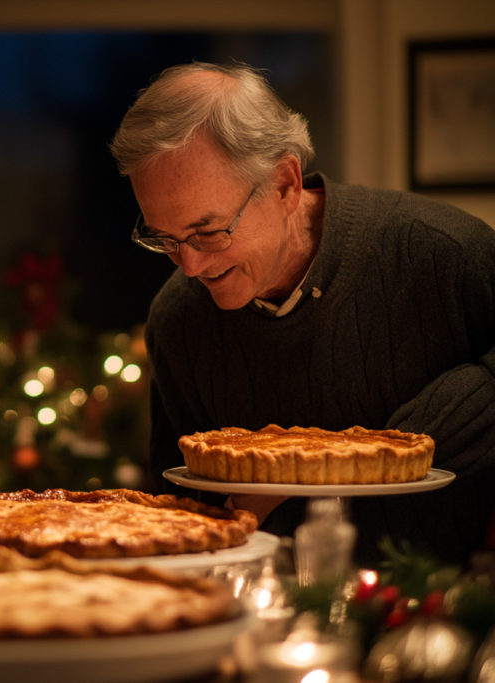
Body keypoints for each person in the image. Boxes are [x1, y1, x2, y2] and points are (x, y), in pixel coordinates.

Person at [110, 61, 495, 567]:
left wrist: (307, 478)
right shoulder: (178, 318)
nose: (190, 265)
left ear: (286, 184)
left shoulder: (443, 253)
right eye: (165, 238)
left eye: (208, 231)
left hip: (452, 600)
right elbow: (182, 508)